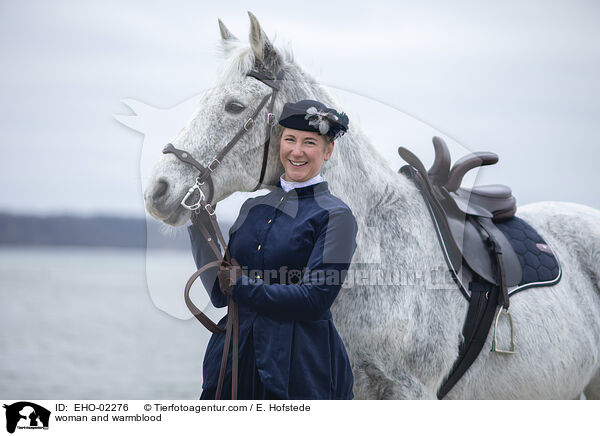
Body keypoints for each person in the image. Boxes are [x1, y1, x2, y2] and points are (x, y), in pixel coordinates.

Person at [188, 99, 358, 400]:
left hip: (297, 369)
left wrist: (242, 286)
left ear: (328, 150)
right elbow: (220, 294)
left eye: (310, 142)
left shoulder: (336, 216)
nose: (296, 151)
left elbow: (314, 299)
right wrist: (198, 226)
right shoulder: (252, 207)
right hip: (232, 361)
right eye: (290, 139)